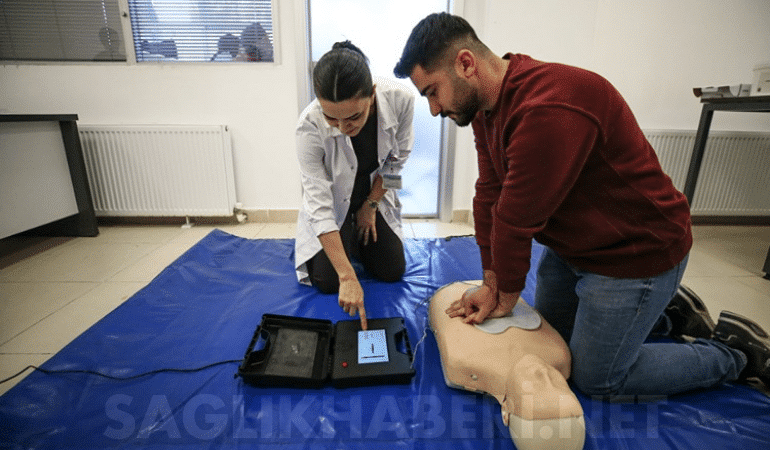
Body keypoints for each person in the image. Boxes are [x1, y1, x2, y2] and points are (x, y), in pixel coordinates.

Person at [394, 13, 770, 396]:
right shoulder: (486, 109)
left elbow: (514, 218)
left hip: (636, 255)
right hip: (574, 249)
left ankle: (736, 353)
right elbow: (490, 190)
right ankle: (666, 315)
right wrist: (492, 280)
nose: (434, 110)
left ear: (466, 64)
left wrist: (502, 294)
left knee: (597, 378)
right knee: (555, 345)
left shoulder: (548, 107)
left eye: (432, 92)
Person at [295, 41, 415, 330]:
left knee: (392, 270)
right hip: (335, 200)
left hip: (372, 192)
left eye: (353, 117)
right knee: (328, 281)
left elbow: (396, 165)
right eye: (331, 118)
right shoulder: (308, 127)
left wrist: (371, 205)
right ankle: (347, 239)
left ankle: (356, 236)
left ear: (372, 95)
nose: (342, 127)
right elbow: (320, 205)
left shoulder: (400, 101)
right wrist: (348, 277)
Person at [429, 281, 585, 450]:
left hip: (452, 290)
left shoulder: (465, 360)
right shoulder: (560, 354)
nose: (543, 374)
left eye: (537, 388)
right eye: (559, 387)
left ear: (506, 411)